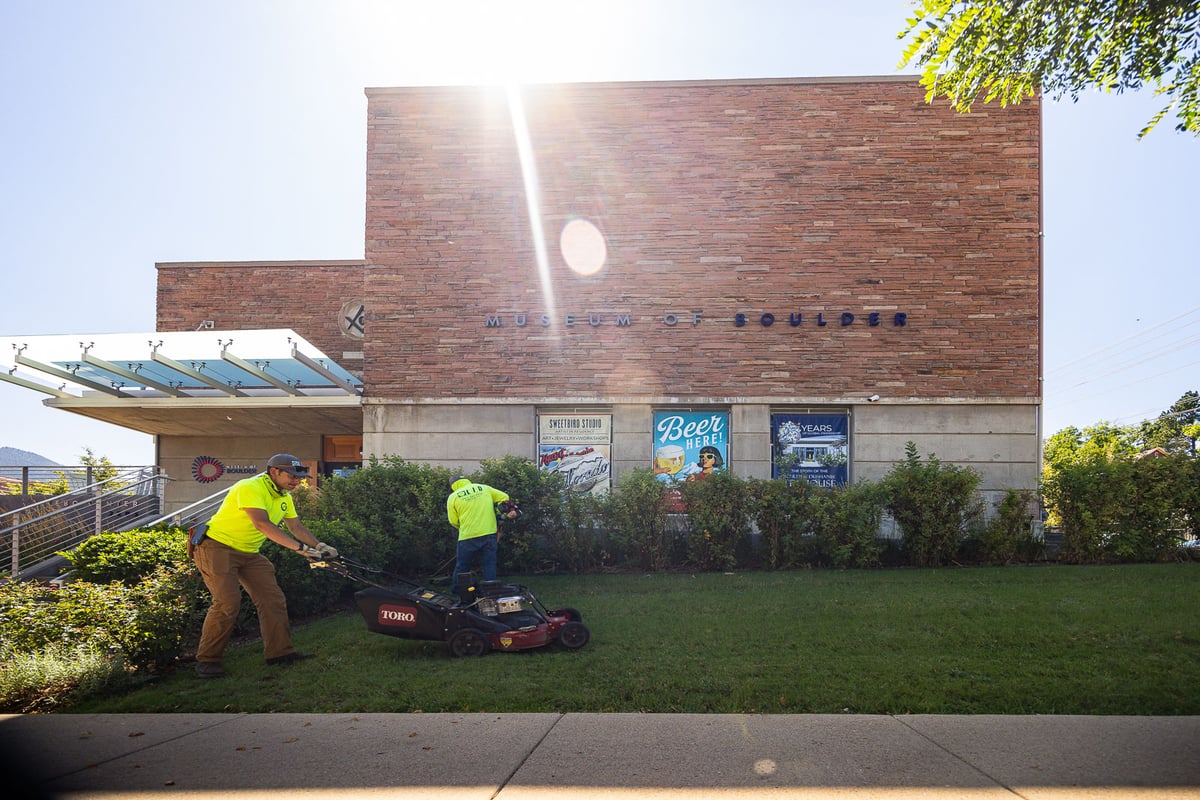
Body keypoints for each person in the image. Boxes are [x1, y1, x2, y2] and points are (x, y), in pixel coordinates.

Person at [190, 453, 337, 678]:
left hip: (249, 551)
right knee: (227, 603)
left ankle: (279, 653)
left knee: (273, 599)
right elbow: (262, 524)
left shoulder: (283, 496)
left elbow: (295, 526)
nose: (297, 481)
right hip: (216, 547)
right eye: (292, 475)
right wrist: (300, 549)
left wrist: (320, 545)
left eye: (300, 476)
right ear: (274, 471)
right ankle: (207, 661)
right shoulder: (250, 487)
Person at [446, 475, 515, 586]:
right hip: (489, 532)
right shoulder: (484, 488)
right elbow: (504, 497)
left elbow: (453, 521)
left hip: (467, 536)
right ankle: (490, 591)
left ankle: (458, 592)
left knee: (462, 566)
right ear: (466, 480)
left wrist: (463, 527)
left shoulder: (453, 497)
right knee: (489, 564)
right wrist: (498, 513)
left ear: (453, 485)